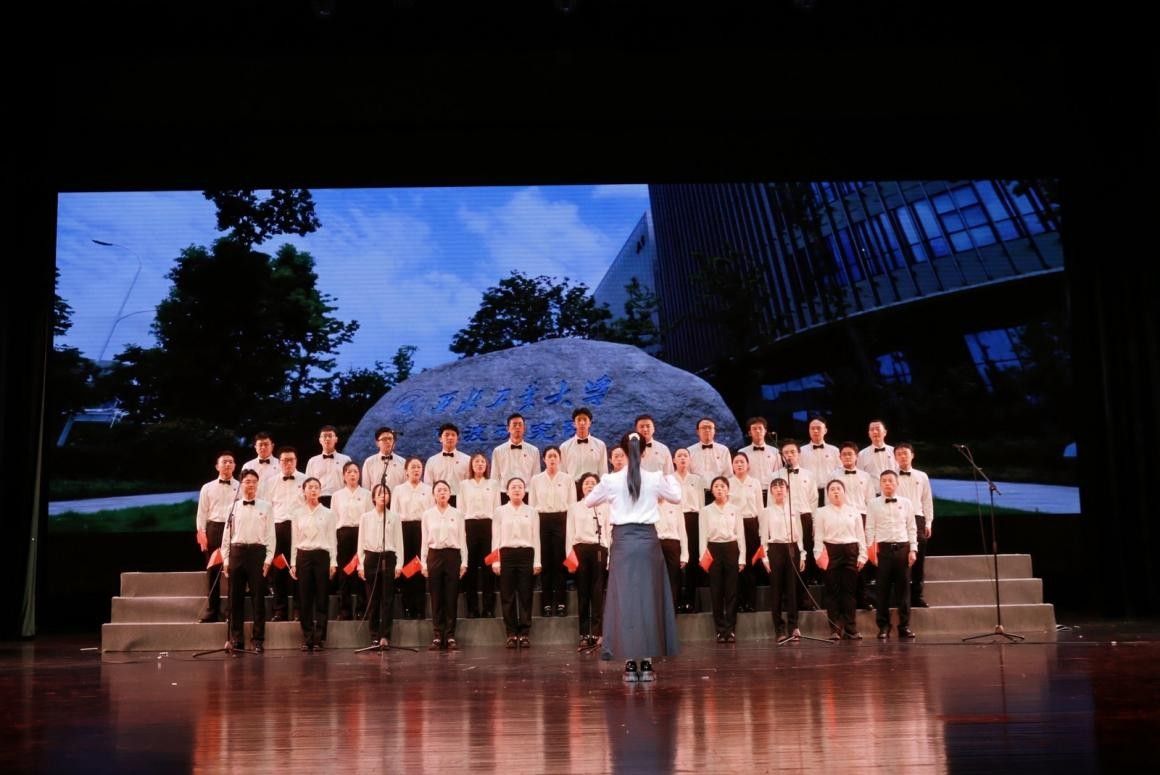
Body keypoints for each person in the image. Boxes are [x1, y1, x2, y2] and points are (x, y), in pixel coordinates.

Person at [584, 433, 681, 683]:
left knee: (625, 601)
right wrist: (671, 476)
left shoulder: (611, 479)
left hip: (624, 543)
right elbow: (676, 497)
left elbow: (589, 501)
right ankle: (646, 663)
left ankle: (629, 663)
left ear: (623, 452)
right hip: (648, 542)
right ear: (644, 452)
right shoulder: (655, 477)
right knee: (648, 599)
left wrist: (609, 494)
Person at [221, 468, 275, 652]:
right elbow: (226, 537)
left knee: (258, 598)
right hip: (237, 552)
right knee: (235, 599)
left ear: (257, 485)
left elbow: (271, 535)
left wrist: (268, 558)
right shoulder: (232, 507)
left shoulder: (266, 507)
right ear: (241, 484)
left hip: (257, 553)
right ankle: (236, 639)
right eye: (247, 481)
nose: (250, 484)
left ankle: (258, 639)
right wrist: (226, 559)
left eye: (253, 481)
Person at [865, 471, 917, 640]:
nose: (887, 483)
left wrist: (913, 549)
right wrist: (871, 551)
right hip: (883, 550)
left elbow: (911, 527)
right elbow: (870, 528)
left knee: (904, 590)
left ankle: (904, 626)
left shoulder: (907, 503)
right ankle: (883, 626)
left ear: (897, 483)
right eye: (884, 481)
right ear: (880, 484)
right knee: (882, 590)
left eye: (890, 481)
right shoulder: (873, 504)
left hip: (902, 548)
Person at [814, 480, 868, 640]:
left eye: (838, 488)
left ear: (844, 492)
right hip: (831, 551)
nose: (835, 491)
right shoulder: (821, 512)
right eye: (832, 489)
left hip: (851, 551)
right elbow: (818, 536)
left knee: (849, 592)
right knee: (832, 592)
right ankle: (835, 629)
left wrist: (863, 555)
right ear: (827, 494)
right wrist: (818, 555)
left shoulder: (854, 511)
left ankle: (850, 628)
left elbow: (860, 535)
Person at [491, 477, 542, 648]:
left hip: (526, 554)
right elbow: (495, 537)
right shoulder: (500, 511)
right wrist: (496, 561)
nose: (517, 490)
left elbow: (536, 538)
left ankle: (525, 633)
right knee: (508, 596)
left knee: (526, 595)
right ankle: (511, 633)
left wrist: (537, 561)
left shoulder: (532, 511)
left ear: (525, 491)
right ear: (507, 492)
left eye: (520, 487)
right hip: (506, 554)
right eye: (513, 487)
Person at [528, 446, 576, 616]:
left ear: (560, 459)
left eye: (555, 456)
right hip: (542, 520)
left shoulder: (568, 479)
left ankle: (561, 603)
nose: (552, 459)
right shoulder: (536, 480)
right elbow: (532, 506)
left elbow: (572, 505)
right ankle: (546, 604)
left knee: (560, 562)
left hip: (562, 520)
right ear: (544, 459)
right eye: (549, 456)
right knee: (546, 563)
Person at [290, 478, 337, 651]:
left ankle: (319, 638)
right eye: (310, 487)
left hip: (322, 555)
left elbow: (332, 539)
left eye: (316, 487)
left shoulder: (328, 513)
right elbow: (295, 540)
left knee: (322, 597)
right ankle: (308, 636)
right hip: (303, 555)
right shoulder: (297, 513)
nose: (313, 490)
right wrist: (293, 562)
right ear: (304, 490)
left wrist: (333, 561)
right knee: (305, 598)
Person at [420, 480, 468, 651]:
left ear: (450, 494)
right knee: (436, 597)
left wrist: (464, 562)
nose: (442, 493)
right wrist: (424, 563)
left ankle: (450, 635)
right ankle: (437, 635)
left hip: (452, 555)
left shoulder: (458, 513)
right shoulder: (427, 515)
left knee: (451, 596)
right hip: (434, 555)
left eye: (445, 490)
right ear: (433, 494)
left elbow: (462, 539)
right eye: (439, 490)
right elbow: (424, 540)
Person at [259, 446, 304, 622]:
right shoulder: (270, 482)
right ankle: (280, 610)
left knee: (299, 569)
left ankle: (299, 609)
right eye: (284, 460)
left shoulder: (305, 480)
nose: (288, 463)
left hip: (299, 529)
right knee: (278, 571)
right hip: (277, 529)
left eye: (291, 460)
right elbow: (265, 509)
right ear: (279, 463)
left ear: (296, 461)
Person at [698, 476, 746, 644]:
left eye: (723, 486)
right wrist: (703, 557)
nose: (719, 489)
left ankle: (730, 630)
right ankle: (720, 630)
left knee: (732, 591)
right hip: (713, 548)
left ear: (728, 489)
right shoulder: (705, 511)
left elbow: (740, 535)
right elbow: (702, 535)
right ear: (712, 490)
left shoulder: (735, 509)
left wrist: (742, 557)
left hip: (731, 548)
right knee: (716, 591)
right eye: (716, 486)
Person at [566, 472, 610, 650]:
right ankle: (584, 633)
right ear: (581, 487)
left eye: (593, 483)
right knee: (583, 593)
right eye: (586, 483)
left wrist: (610, 556)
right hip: (580, 550)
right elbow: (569, 534)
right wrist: (570, 559)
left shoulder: (605, 507)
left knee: (598, 592)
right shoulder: (574, 507)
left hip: (599, 549)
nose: (590, 486)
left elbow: (609, 532)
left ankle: (597, 633)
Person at [358, 483, 405, 648]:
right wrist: (361, 565)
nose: (383, 496)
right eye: (379, 493)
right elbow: (360, 543)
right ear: (373, 497)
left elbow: (399, 542)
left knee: (387, 599)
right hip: (371, 557)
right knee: (373, 599)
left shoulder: (395, 517)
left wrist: (399, 564)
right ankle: (373, 635)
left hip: (388, 557)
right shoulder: (365, 517)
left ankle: (385, 635)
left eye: (386, 493)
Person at [760, 477, 805, 644]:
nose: (779, 489)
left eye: (782, 486)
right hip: (775, 549)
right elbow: (763, 536)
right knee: (777, 590)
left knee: (792, 589)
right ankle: (779, 629)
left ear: (787, 490)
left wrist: (802, 553)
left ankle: (794, 626)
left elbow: (799, 534)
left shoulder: (794, 509)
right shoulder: (766, 512)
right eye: (775, 487)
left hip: (792, 548)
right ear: (771, 491)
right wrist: (765, 557)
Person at [832, 441, 877, 610]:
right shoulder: (833, 475)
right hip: (840, 518)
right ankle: (842, 600)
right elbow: (828, 500)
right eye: (844, 454)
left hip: (862, 517)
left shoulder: (865, 477)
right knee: (843, 559)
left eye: (850, 454)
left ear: (857, 456)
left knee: (861, 558)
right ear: (840, 457)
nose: (847, 457)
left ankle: (863, 597)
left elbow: (871, 501)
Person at [195, 451, 239, 624]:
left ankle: (232, 611)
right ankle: (212, 610)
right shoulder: (207, 487)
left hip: (234, 528)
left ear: (234, 466)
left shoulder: (240, 486)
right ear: (217, 466)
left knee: (233, 571)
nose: (227, 464)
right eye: (224, 462)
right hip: (213, 528)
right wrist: (201, 534)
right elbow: (202, 513)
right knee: (213, 571)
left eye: (231, 461)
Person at [893, 443, 934, 608]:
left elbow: (927, 500)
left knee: (918, 558)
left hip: (918, 518)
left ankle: (917, 595)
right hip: (897, 518)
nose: (903, 456)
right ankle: (900, 597)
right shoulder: (890, 475)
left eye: (905, 453)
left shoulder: (922, 476)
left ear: (912, 455)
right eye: (899, 454)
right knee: (899, 559)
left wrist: (928, 521)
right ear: (895, 457)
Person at [460, 452, 500, 618]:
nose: (480, 464)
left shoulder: (493, 484)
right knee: (470, 568)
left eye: (483, 461)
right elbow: (460, 510)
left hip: (488, 526)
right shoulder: (464, 485)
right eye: (476, 461)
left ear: (486, 465)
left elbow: (497, 509)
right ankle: (472, 608)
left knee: (488, 568)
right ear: (471, 465)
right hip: (469, 526)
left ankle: (489, 608)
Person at [330, 461, 372, 620]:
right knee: (344, 572)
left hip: (361, 533)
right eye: (349, 472)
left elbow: (369, 517)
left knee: (361, 570)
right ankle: (344, 609)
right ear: (344, 476)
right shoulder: (337, 496)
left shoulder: (367, 494)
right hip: (343, 534)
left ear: (359, 475)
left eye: (355, 471)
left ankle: (362, 608)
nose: (353, 474)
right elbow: (334, 519)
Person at [394, 457, 434, 619]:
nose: (416, 470)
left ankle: (419, 608)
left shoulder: (428, 489)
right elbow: (394, 514)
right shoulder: (398, 490)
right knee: (406, 566)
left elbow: (432, 513)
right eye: (413, 467)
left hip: (422, 528)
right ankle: (407, 607)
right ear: (406, 471)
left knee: (419, 565)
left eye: (419, 467)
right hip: (403, 529)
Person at [781, 439, 819, 609]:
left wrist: (814, 524)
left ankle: (804, 598)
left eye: (792, 452)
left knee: (804, 558)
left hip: (804, 518)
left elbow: (814, 501)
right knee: (786, 558)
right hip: (784, 519)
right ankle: (787, 600)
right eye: (786, 453)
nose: (789, 455)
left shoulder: (809, 475)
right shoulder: (776, 476)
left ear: (799, 454)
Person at [729, 451, 765, 612]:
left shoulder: (755, 483)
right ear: (732, 465)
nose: (739, 464)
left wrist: (762, 529)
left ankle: (751, 602)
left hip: (751, 524)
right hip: (734, 524)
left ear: (748, 465)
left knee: (750, 563)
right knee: (736, 563)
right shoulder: (728, 483)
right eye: (736, 462)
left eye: (742, 461)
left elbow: (760, 508)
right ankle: (738, 602)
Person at [671, 448, 705, 613]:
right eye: (679, 456)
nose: (683, 458)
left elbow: (701, 505)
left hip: (693, 519)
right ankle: (676, 600)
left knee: (691, 559)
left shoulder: (697, 480)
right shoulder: (669, 479)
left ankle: (691, 600)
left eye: (685, 455)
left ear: (690, 460)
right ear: (674, 460)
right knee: (676, 560)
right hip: (674, 519)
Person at [656, 477, 690, 613]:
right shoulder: (649, 505)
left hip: (673, 544)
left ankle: (671, 612)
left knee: (673, 579)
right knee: (656, 579)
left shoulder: (675, 505)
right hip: (655, 545)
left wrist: (684, 555)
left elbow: (682, 530)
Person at [491, 413, 541, 501]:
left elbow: (536, 477)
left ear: (524, 428)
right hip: (504, 494)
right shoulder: (498, 451)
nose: (517, 427)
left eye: (520, 424)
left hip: (527, 494)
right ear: (508, 428)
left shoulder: (534, 451)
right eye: (514, 425)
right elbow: (494, 477)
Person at [739, 416, 783, 505]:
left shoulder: (775, 451)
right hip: (750, 493)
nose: (758, 431)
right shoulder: (742, 452)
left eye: (760, 428)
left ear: (765, 431)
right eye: (754, 429)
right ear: (749, 433)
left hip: (771, 493)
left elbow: (779, 474)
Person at [305, 425, 351, 508]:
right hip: (318, 500)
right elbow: (308, 484)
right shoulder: (312, 461)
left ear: (336, 439)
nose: (327, 439)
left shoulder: (345, 460)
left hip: (340, 500)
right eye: (324, 436)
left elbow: (350, 483)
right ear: (320, 440)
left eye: (330, 436)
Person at [559, 407, 608, 485]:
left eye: (585, 420)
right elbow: (562, 472)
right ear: (574, 424)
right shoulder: (564, 447)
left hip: (593, 487)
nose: (582, 423)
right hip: (572, 487)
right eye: (579, 420)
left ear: (590, 423)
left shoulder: (600, 445)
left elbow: (603, 471)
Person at [425, 423, 472, 505]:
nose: (450, 437)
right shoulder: (432, 461)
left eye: (453, 435)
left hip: (461, 501)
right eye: (446, 435)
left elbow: (470, 485)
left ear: (457, 439)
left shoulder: (467, 460)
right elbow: (428, 486)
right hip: (438, 501)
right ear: (440, 439)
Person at [799, 417, 840, 508]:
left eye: (818, 428)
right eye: (812, 428)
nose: (815, 431)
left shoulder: (834, 450)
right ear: (809, 430)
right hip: (808, 492)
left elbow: (840, 472)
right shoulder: (801, 451)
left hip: (830, 492)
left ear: (825, 430)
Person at [685, 417, 731, 484]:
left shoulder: (724, 450)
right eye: (704, 428)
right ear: (698, 432)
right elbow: (686, 473)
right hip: (696, 488)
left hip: (718, 488)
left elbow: (728, 474)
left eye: (710, 427)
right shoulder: (689, 451)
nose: (707, 430)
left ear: (714, 431)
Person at [362, 426, 406, 492]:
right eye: (384, 439)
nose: (388, 441)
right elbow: (366, 488)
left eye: (390, 439)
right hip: (376, 498)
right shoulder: (369, 462)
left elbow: (405, 487)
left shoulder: (403, 462)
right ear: (377, 443)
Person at [857, 420, 897, 484]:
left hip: (893, 488)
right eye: (872, 430)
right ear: (869, 434)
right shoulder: (862, 454)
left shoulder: (894, 451)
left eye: (878, 429)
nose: (875, 432)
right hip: (872, 489)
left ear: (885, 432)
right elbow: (860, 476)